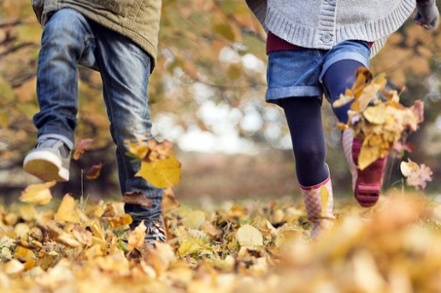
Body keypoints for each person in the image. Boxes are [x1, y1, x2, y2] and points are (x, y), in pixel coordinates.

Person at [245, 0, 439, 237]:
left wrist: (426, 4)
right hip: (291, 32)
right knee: (308, 151)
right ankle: (322, 222)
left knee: (347, 86)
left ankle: (363, 139)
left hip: (352, 24)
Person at [23, 1, 167, 245]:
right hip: (73, 3)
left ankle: (148, 223)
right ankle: (55, 137)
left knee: (131, 127)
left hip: (130, 19)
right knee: (59, 33)